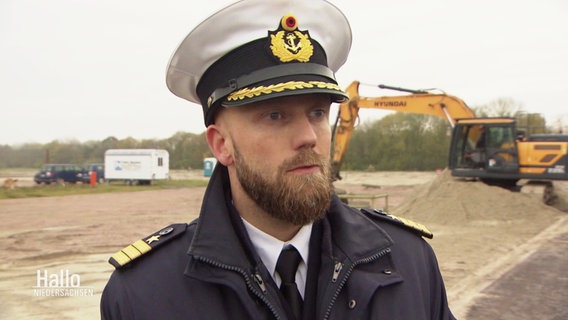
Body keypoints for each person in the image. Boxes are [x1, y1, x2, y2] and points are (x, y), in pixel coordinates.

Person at [100, 0, 456, 319]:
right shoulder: (144, 294)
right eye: (275, 116)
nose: (308, 137)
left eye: (317, 112)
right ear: (222, 144)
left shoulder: (409, 262)